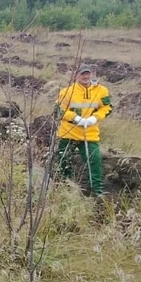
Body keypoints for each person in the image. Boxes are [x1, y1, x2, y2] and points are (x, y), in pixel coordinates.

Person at [55, 64, 113, 197]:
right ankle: (65, 186)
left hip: (90, 133)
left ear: (91, 74)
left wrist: (95, 117)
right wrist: (74, 118)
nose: (85, 76)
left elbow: (107, 107)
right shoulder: (67, 91)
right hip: (68, 132)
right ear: (76, 75)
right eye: (82, 74)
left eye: (88, 73)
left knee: (95, 160)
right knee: (64, 160)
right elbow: (58, 110)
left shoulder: (101, 90)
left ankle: (96, 191)